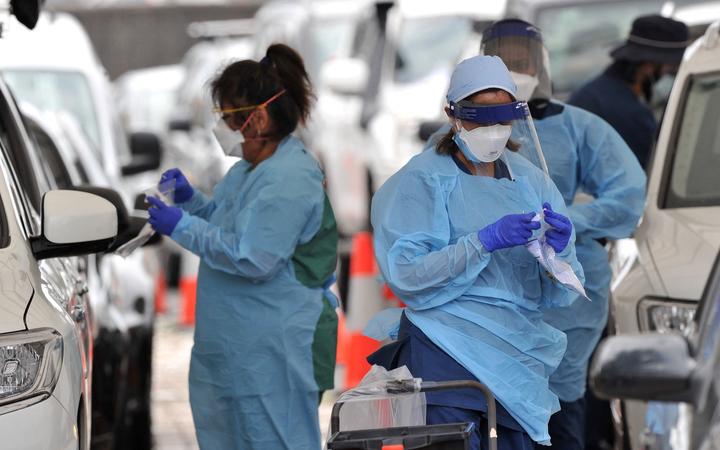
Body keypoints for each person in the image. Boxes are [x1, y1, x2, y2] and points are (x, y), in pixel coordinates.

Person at [367, 55, 585, 450]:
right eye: (479, 119)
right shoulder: (425, 181)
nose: (491, 131)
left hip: (515, 356)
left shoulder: (530, 182)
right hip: (447, 348)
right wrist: (481, 242)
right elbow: (407, 274)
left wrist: (558, 253)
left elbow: (558, 292)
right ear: (452, 115)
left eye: (501, 119)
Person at [145, 44, 339, 450]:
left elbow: (254, 257)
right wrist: (190, 202)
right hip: (239, 350)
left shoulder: (290, 178)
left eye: (230, 116)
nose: (223, 127)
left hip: (274, 354)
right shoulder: (251, 170)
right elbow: (228, 222)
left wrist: (182, 227)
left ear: (259, 117)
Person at [478, 20, 646, 450]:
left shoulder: (578, 128)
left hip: (567, 299)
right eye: (503, 62)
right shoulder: (464, 134)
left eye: (522, 62)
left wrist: (569, 221)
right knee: (499, 416)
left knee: (562, 413)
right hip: (493, 299)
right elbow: (426, 206)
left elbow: (628, 197)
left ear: (540, 66)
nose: (515, 71)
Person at [568, 15, 689, 170]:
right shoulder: (628, 112)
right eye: (670, 70)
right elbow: (659, 168)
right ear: (648, 67)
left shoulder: (594, 92)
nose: (669, 76)